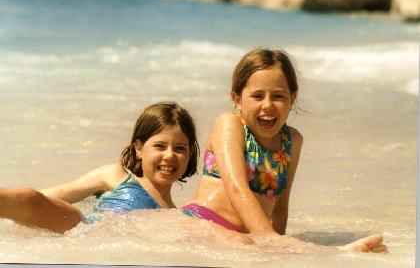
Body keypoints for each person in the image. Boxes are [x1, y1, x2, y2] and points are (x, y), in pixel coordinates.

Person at [181, 48, 388, 253]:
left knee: (248, 243)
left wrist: (278, 251)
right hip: (203, 222)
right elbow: (237, 189)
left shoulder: (292, 141)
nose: (268, 105)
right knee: (242, 242)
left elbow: (279, 208)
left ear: (293, 98)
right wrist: (272, 241)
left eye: (278, 96)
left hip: (250, 236)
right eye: (257, 96)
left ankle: (337, 254)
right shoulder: (229, 124)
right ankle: (337, 254)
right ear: (237, 99)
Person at [0, 102, 199, 234]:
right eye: (159, 146)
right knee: (30, 198)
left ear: (189, 154)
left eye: (180, 148)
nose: (170, 155)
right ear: (139, 149)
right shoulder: (117, 176)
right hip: (81, 227)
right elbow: (55, 195)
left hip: (101, 253)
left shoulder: (175, 215)